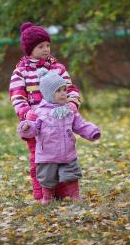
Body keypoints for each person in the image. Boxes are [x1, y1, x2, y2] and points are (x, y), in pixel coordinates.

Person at [9, 22, 81, 201]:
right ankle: (42, 193)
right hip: (36, 124)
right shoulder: (20, 72)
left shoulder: (57, 68)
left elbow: (71, 89)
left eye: (48, 45)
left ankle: (63, 192)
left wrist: (72, 103)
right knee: (39, 159)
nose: (46, 49)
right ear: (29, 49)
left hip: (59, 120)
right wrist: (26, 114)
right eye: (40, 46)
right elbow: (17, 96)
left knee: (63, 155)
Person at [17, 68, 101, 205]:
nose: (63, 94)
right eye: (58, 91)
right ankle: (47, 198)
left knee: (71, 174)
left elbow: (80, 124)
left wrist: (92, 131)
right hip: (47, 155)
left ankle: (75, 196)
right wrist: (26, 127)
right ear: (48, 93)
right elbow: (34, 129)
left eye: (64, 90)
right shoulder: (39, 112)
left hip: (67, 152)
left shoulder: (69, 110)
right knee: (46, 178)